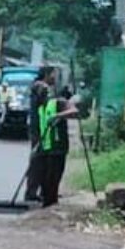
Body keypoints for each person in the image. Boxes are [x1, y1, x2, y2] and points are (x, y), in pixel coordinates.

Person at [27, 69, 78, 209]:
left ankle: (50, 202)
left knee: (53, 178)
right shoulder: (39, 108)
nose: (43, 94)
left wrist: (58, 116)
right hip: (46, 145)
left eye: (45, 92)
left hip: (58, 146)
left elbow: (74, 111)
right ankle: (44, 200)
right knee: (44, 176)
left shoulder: (57, 102)